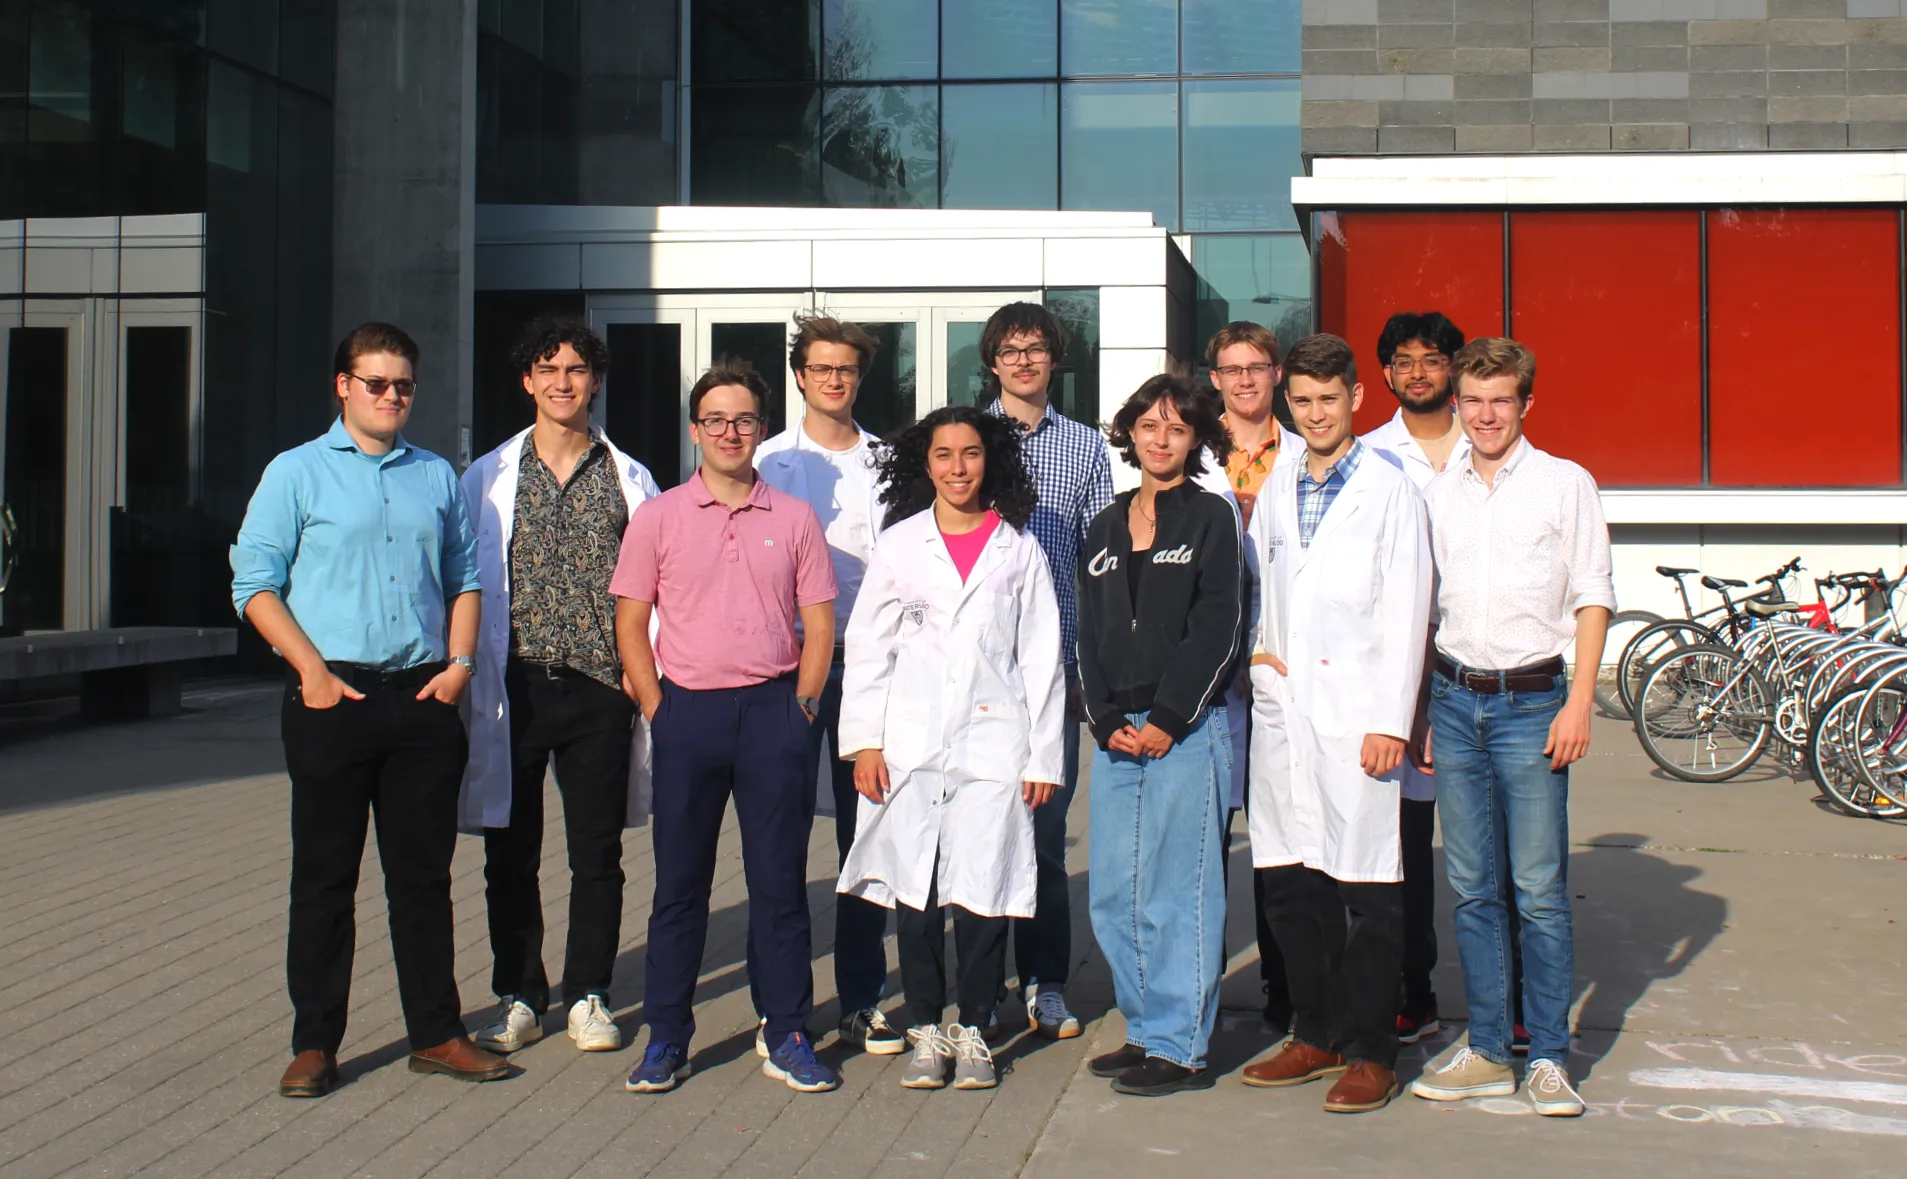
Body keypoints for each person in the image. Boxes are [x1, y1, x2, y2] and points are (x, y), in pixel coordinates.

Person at [232, 322, 507, 1097]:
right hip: (332, 698)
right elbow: (254, 584)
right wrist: (311, 671)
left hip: (421, 698)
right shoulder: (296, 472)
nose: (392, 396)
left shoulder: (434, 475)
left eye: (403, 385)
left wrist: (458, 667)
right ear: (343, 386)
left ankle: (437, 1032)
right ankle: (315, 1042)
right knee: (324, 878)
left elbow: (463, 577)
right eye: (376, 383)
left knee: (422, 879)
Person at [611, 364, 840, 1096]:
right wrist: (658, 706)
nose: (730, 432)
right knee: (680, 885)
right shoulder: (659, 516)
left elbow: (819, 623)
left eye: (743, 420)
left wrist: (803, 707)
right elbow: (630, 620)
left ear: (761, 429)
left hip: (774, 713)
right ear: (695, 429)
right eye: (715, 419)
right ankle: (666, 1036)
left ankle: (787, 1030)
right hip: (689, 714)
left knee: (779, 883)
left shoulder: (795, 518)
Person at [1408, 337, 1611, 1118]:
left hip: (1532, 705)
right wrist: (1422, 710)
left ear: (1526, 402)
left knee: (1537, 889)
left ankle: (1548, 1057)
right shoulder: (1438, 493)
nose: (1485, 414)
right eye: (1473, 399)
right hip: (1455, 702)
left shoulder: (1565, 483)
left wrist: (1578, 700)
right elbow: (1427, 610)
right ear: (1455, 403)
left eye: (1500, 400)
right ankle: (1490, 1049)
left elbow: (1593, 593)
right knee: (1471, 888)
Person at [835, 405, 1065, 1092]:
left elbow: (1042, 657)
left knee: (983, 889)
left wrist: (1043, 756)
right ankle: (926, 1027)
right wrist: (865, 744)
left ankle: (975, 1027)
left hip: (994, 745)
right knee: (917, 890)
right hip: (909, 745)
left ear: (989, 460)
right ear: (925, 463)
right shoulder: (900, 545)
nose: (958, 468)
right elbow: (869, 648)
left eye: (970, 454)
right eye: (943, 455)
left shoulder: (1016, 547)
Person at [1236, 334, 1431, 1115]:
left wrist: (1391, 719)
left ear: (1355, 397)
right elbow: (1258, 583)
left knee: (1367, 888)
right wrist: (1257, 654)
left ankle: (1370, 1049)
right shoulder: (1278, 485)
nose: (1315, 414)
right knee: (1289, 882)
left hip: (1358, 718)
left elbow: (1407, 606)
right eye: (1302, 401)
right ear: (1287, 403)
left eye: (1328, 399)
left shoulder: (1390, 490)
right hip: (1286, 708)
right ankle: (1313, 1031)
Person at [461, 316, 661, 1059]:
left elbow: (653, 584)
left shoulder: (628, 477)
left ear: (594, 380)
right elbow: (462, 578)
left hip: (599, 688)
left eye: (575, 369)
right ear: (527, 381)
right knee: (509, 852)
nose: (562, 382)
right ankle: (518, 994)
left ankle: (588, 993)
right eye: (547, 369)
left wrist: (642, 680)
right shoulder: (487, 475)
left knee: (595, 852)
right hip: (512, 686)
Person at [1079, 374, 1243, 1097]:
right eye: (1149, 426)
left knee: (1177, 890)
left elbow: (1219, 626)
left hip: (1185, 730)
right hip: (1118, 734)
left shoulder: (1209, 517)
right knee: (1116, 893)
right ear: (1130, 433)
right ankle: (1145, 1027)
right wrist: (1104, 718)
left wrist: (1171, 718)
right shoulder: (1103, 526)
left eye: (1177, 428)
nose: (1161, 439)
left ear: (1196, 438)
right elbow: (1087, 632)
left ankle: (1180, 1044)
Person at [755, 313, 903, 1057]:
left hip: (870, 671)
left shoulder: (889, 462)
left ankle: (862, 999)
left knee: (864, 838)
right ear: (800, 376)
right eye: (821, 368)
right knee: (777, 840)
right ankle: (778, 1005)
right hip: (786, 670)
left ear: (859, 376)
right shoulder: (767, 459)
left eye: (846, 368)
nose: (834, 379)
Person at [979, 301, 1113, 1040]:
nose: (1024, 361)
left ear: (1054, 360)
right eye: (1011, 350)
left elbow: (1100, 561)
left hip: (1053, 670)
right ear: (991, 362)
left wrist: (1092, 665)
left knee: (1044, 836)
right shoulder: (965, 438)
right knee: (972, 828)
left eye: (1036, 349)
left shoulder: (1086, 446)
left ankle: (1045, 981)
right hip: (976, 668)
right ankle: (975, 985)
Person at [1360, 310, 1469, 1045]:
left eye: (1432, 359)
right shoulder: (1370, 456)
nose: (1419, 372)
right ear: (1386, 374)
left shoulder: (1486, 444)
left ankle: (1508, 997)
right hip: (1394, 672)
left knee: (1484, 848)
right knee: (1400, 847)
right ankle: (1411, 988)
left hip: (1474, 666)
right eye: (1404, 361)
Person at [1194, 320, 1305, 1032]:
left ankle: (1284, 986)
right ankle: (1194, 992)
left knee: (1281, 840)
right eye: (1231, 369)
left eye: (1256, 367)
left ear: (1275, 373)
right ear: (1215, 380)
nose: (1244, 380)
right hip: (1210, 679)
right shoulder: (1193, 454)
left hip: (1283, 665)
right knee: (1206, 842)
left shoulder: (1302, 454)